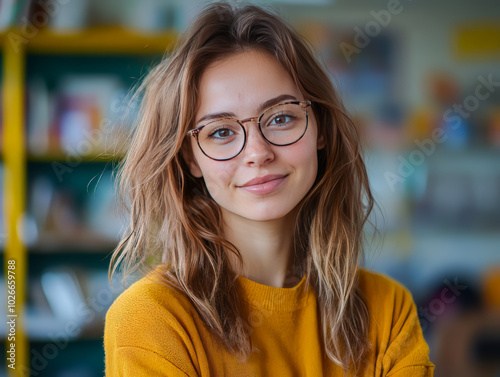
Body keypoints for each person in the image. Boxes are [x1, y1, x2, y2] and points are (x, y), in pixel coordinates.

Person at [104, 2, 435, 376]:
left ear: (320, 129)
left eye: (280, 118)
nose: (257, 153)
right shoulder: (152, 318)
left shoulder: (387, 309)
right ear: (190, 158)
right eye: (221, 132)